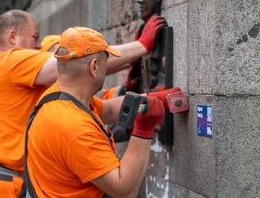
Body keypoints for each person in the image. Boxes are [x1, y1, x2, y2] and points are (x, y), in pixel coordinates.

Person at [0, 9, 164, 197]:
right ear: (12, 37)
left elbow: (87, 71)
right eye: (34, 37)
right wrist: (141, 46)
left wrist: (138, 81)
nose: (38, 45)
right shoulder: (10, 61)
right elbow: (76, 63)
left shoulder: (1, 72)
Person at [25, 27, 180, 197]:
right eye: (106, 62)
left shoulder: (59, 97)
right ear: (94, 66)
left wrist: (152, 99)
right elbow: (124, 189)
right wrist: (143, 128)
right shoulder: (74, 127)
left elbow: (109, 109)